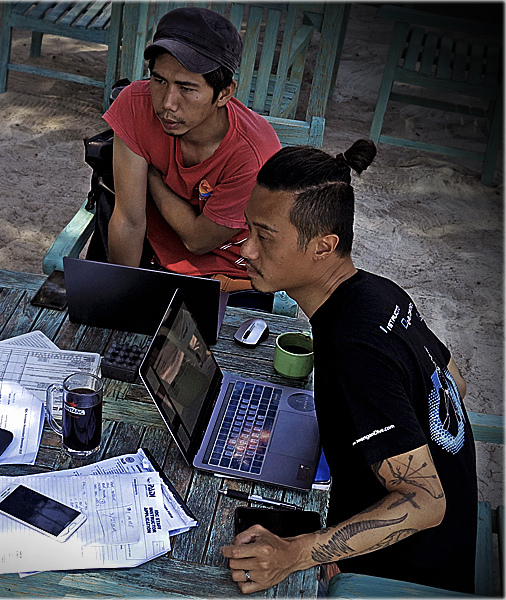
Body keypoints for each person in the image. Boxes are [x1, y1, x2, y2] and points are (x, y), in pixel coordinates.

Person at [221, 140, 478, 594]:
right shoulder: (380, 292)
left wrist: (298, 552)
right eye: (248, 230)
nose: (247, 249)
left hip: (410, 577)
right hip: (450, 538)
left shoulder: (352, 348)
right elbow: (450, 378)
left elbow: (425, 502)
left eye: (265, 235)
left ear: (324, 246)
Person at [103, 6, 281, 292]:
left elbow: (198, 241)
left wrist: (150, 178)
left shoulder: (254, 155)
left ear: (224, 93)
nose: (167, 104)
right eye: (159, 80)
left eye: (186, 88)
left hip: (228, 274)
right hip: (153, 259)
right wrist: (121, 296)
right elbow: (129, 219)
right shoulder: (134, 103)